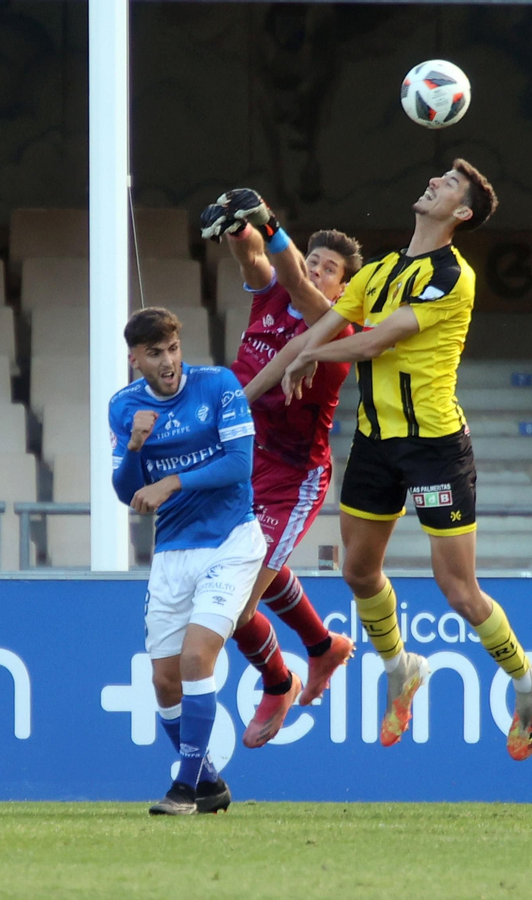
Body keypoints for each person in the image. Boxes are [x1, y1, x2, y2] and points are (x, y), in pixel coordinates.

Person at [229, 161, 532, 760]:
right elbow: (312, 328)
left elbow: (376, 339)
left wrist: (310, 354)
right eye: (440, 177)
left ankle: (528, 680)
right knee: (357, 571)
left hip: (433, 448)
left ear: (461, 213)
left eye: (449, 185)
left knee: (457, 587)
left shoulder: (453, 276)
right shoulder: (376, 271)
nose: (434, 182)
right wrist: (239, 404)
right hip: (375, 445)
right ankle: (400, 667)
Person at [195, 193, 358, 748]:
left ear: (341, 290)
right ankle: (320, 645)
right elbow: (255, 258)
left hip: (293, 478)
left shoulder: (334, 326)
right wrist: (237, 229)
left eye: (329, 269)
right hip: (245, 462)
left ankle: (278, 680)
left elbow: (290, 274)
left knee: (236, 606)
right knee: (227, 575)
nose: (316, 270)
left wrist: (267, 220)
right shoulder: (270, 296)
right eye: (314, 259)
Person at [110, 307, 264, 815]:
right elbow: (127, 493)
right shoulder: (124, 407)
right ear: (135, 360)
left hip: (231, 540)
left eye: (172, 349)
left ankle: (183, 787)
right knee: (165, 680)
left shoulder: (218, 385)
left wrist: (172, 480)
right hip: (173, 551)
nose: (168, 362)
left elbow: (240, 464)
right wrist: (135, 446)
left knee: (198, 658)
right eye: (155, 354)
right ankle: (210, 782)